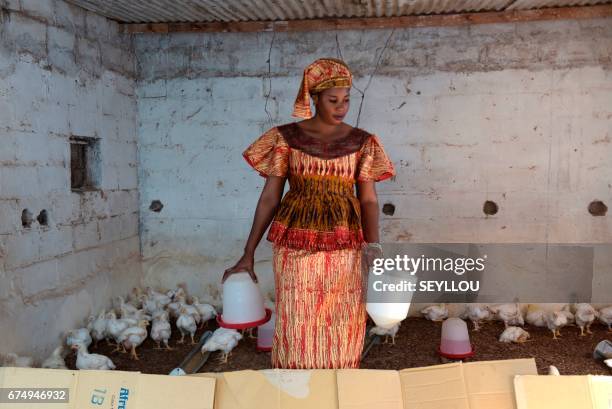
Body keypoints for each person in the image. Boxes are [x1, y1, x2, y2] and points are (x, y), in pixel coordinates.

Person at [223, 57, 396, 369]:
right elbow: (269, 198)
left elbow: (368, 200)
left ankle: (339, 387)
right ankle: (295, 390)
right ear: (313, 99)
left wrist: (374, 247)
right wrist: (247, 252)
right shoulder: (285, 138)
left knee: (343, 316)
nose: (341, 107)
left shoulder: (363, 142)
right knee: (296, 315)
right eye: (333, 100)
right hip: (294, 243)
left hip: (344, 245)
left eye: (346, 100)